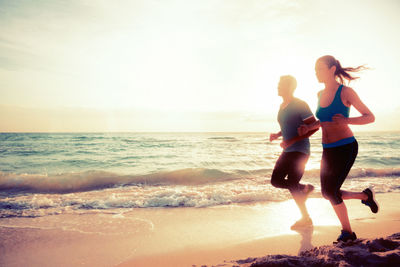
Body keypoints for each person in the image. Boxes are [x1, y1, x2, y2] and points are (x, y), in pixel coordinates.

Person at [298, 55, 379, 242]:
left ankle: (348, 233)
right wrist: (309, 128)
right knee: (328, 192)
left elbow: (370, 116)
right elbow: (323, 120)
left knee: (331, 191)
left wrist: (347, 120)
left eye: (319, 69)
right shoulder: (319, 94)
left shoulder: (346, 92)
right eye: (315, 69)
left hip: (346, 147)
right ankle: (364, 196)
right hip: (328, 149)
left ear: (332, 69)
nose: (316, 73)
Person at [270, 75, 318, 229]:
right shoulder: (282, 105)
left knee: (291, 183)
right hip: (289, 150)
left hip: (301, 150)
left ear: (289, 87)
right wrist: (278, 135)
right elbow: (288, 126)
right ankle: (305, 188)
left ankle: (306, 218)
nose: (277, 87)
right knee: (276, 181)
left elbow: (315, 126)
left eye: (280, 84)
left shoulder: (300, 104)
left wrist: (292, 140)